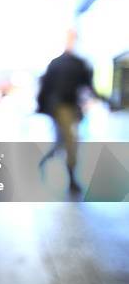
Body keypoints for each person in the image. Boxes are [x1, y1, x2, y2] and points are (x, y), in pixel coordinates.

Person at [36, 29, 95, 191]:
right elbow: (45, 87)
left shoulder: (79, 63)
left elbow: (88, 85)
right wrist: (43, 108)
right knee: (70, 140)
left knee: (62, 142)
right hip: (60, 108)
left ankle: (43, 163)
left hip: (73, 107)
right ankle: (71, 178)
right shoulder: (56, 63)